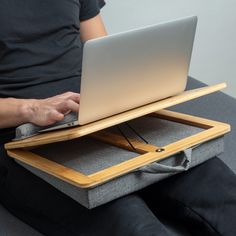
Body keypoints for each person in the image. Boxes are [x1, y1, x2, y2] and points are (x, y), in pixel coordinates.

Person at [0, 1, 236, 235]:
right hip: (22, 137)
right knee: (133, 224)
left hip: (98, 115)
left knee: (224, 195)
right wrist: (31, 109)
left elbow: (104, 51)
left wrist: (125, 90)